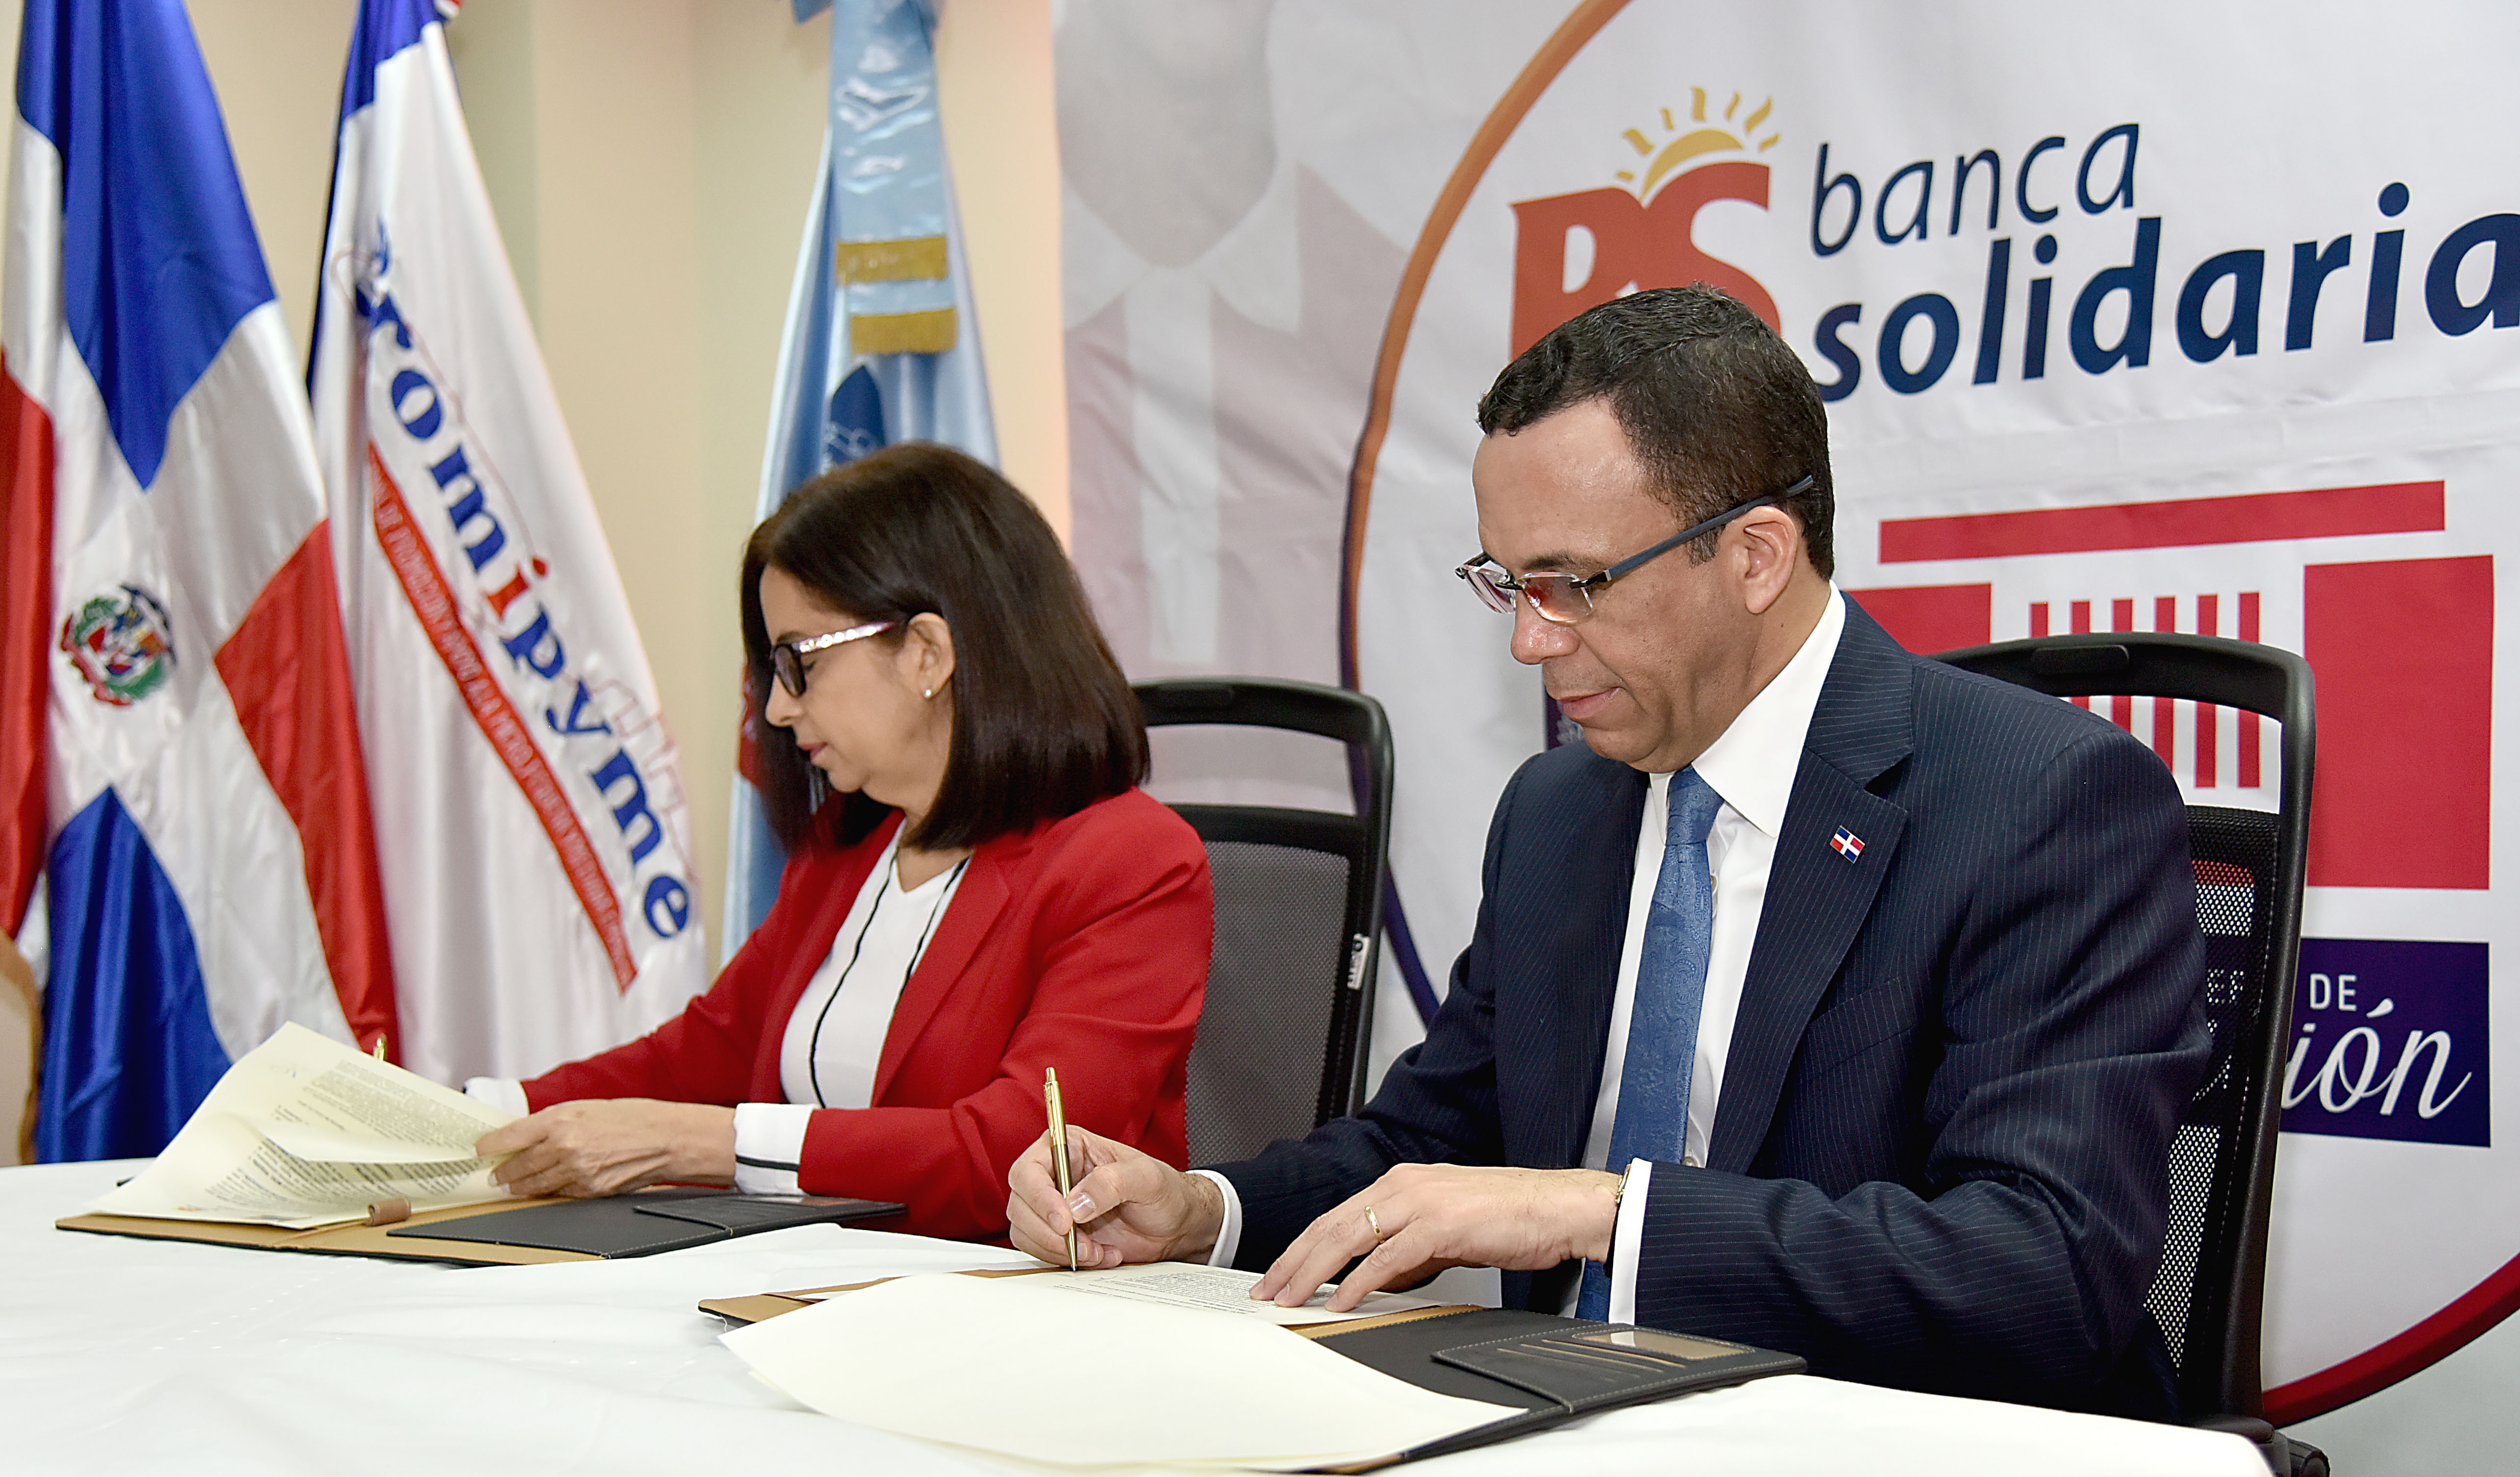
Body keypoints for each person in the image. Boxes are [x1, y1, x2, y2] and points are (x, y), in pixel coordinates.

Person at [1005, 286, 2210, 1416]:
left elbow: (2047, 1266)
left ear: (1755, 557)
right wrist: (1199, 1212)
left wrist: (1605, 1217)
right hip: (1568, 1423)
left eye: (1574, 583)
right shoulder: (1559, 812)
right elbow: (1431, 1142)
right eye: (1508, 582)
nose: (1531, 641)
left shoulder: (2043, 799)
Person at [474, 444, 1212, 1242]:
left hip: (1011, 1324)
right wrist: (475, 1113)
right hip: (806, 1287)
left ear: (926, 653)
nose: (780, 712)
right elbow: (704, 1052)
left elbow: (1024, 1158)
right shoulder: (850, 843)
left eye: (797, 662)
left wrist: (707, 1142)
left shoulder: (1133, 861)